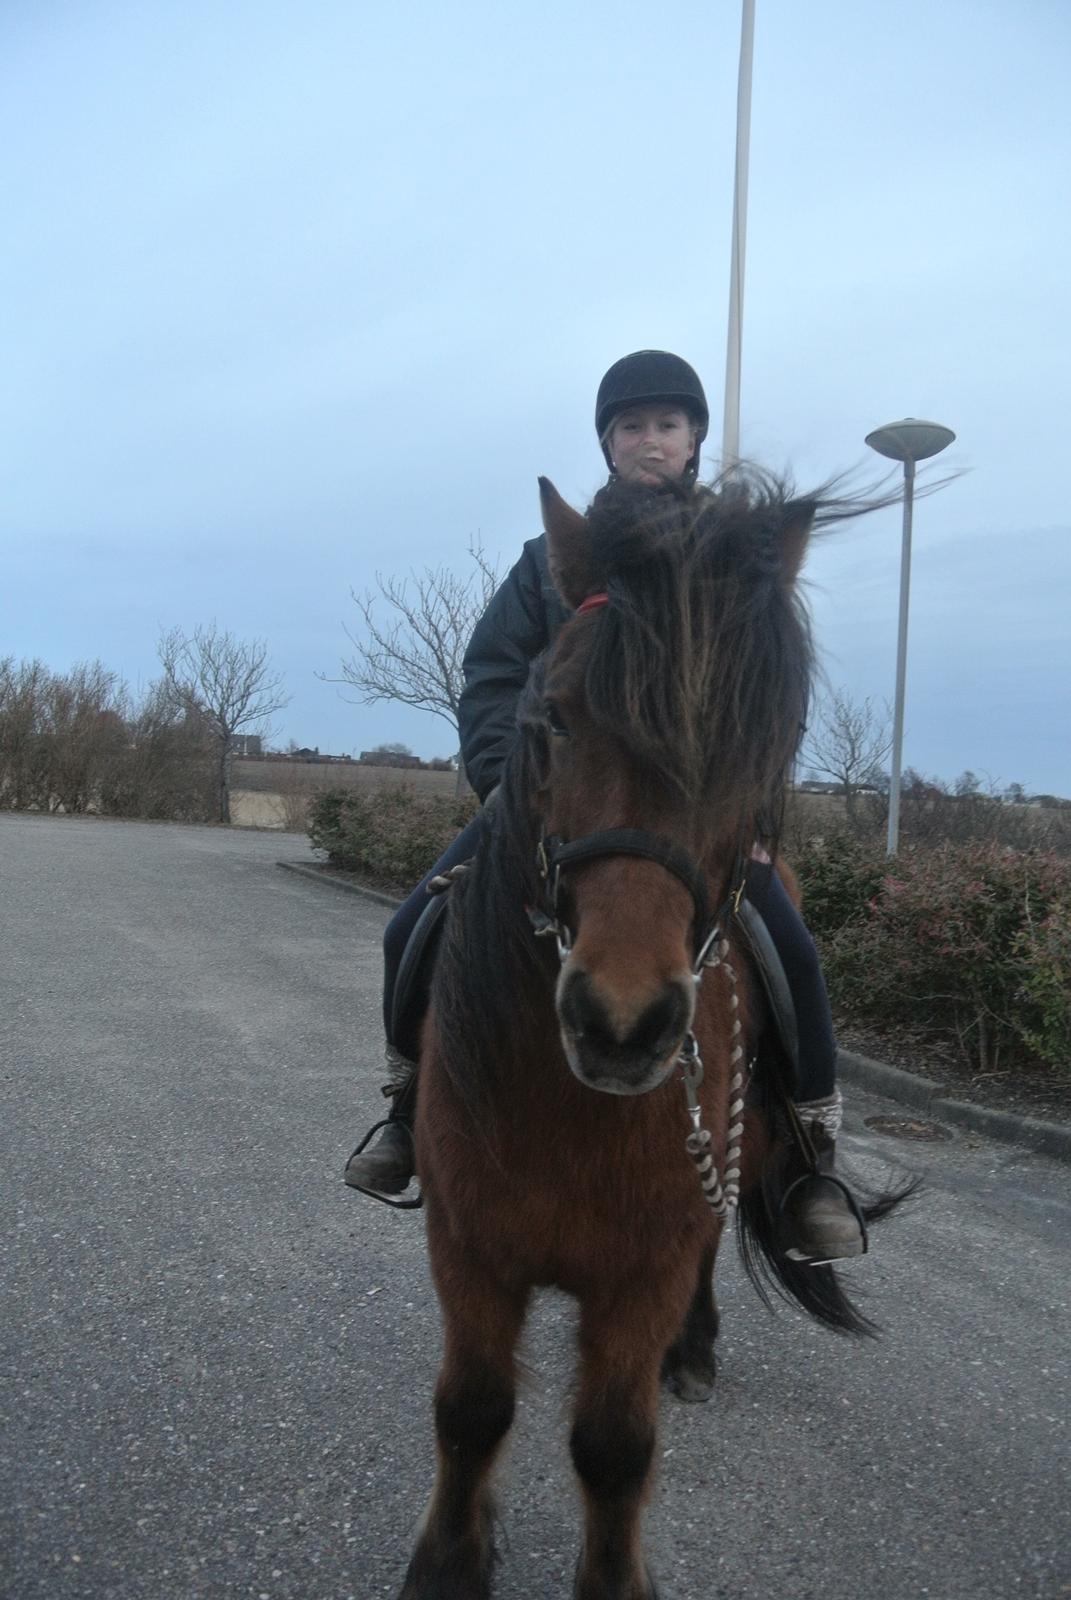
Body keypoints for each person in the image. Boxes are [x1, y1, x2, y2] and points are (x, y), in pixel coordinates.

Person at [344, 350, 863, 1264]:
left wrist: (737, 807)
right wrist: (514, 790)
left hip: (694, 818)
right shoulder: (548, 561)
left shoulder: (732, 563)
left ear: (694, 437)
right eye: (630, 426)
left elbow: (763, 698)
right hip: (554, 802)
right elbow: (493, 676)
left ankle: (811, 1156)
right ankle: (401, 1111)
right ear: (607, 442)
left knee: (791, 955)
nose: (648, 439)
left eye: (667, 423)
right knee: (409, 928)